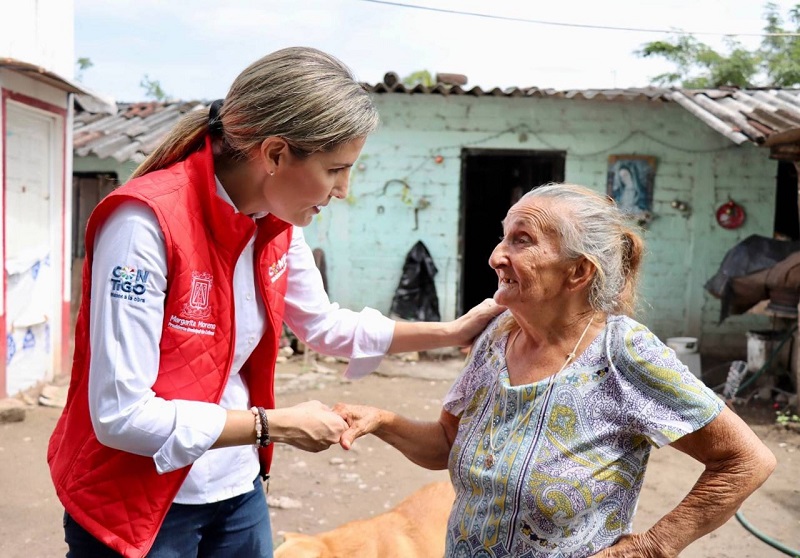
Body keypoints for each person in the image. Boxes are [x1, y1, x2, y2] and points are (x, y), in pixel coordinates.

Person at [47, 47, 502, 558]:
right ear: (277, 153)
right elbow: (120, 415)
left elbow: (324, 325)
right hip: (137, 503)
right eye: (336, 170)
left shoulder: (276, 222)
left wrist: (453, 331)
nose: (342, 190)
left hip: (235, 490)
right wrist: (272, 424)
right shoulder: (144, 225)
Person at [335, 183, 777, 558]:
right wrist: (382, 421)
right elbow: (449, 444)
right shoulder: (496, 339)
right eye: (503, 237)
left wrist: (652, 546)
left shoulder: (623, 353)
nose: (495, 256)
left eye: (521, 240)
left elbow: (747, 461)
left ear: (578, 271)